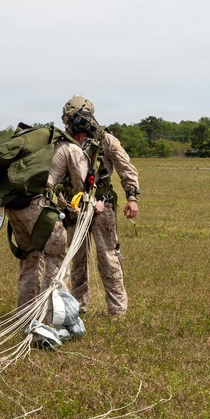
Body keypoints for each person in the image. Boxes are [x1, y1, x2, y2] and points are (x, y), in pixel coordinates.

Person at [61, 96, 140, 318]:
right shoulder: (63, 141)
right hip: (73, 208)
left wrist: (132, 197)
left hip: (101, 207)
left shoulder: (106, 139)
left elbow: (126, 168)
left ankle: (117, 310)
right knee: (77, 259)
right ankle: (78, 307)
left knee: (108, 257)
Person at [6, 122, 92, 315]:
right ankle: (47, 318)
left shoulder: (44, 146)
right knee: (56, 260)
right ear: (82, 136)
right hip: (37, 206)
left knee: (30, 258)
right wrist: (77, 209)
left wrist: (63, 205)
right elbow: (79, 187)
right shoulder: (73, 149)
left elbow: (50, 186)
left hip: (14, 205)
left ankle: (25, 314)